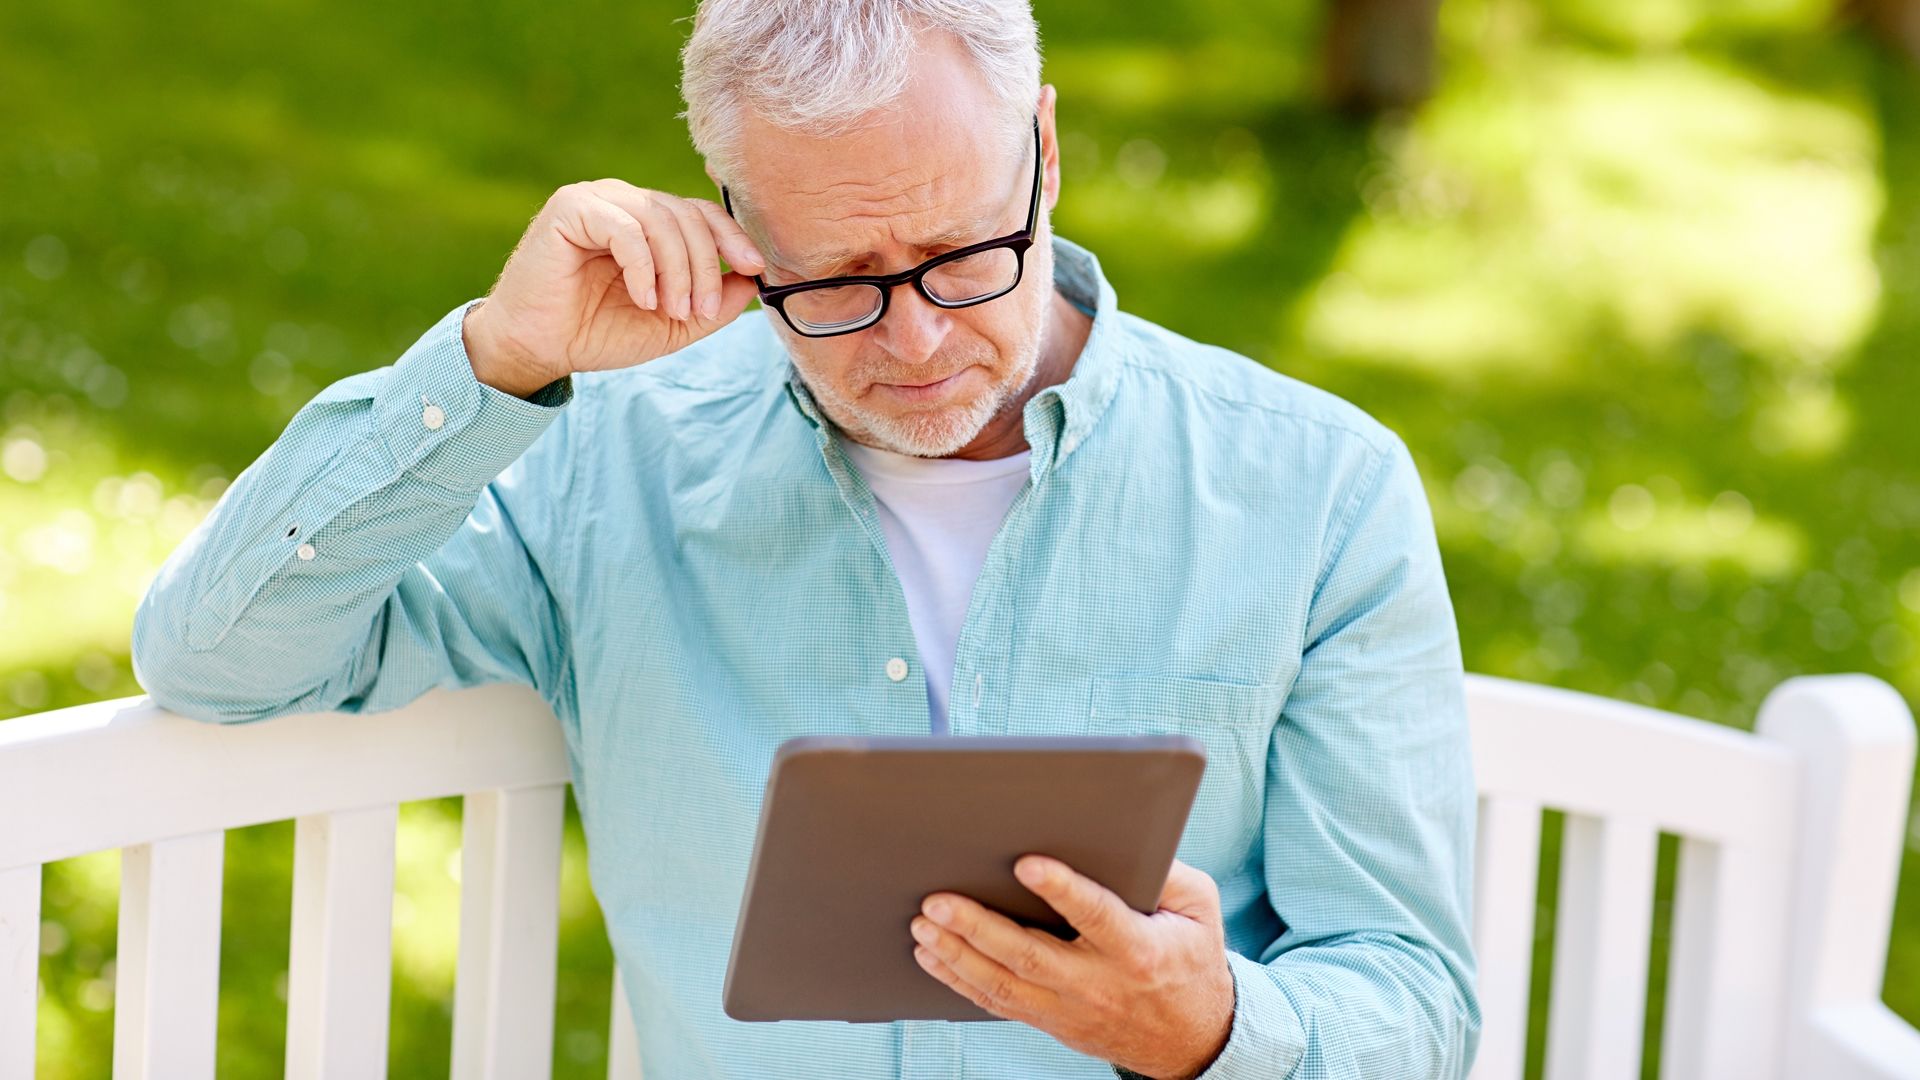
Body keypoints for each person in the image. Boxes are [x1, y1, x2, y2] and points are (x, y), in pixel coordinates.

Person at [131, 1, 1481, 1076]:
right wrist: (498, 362)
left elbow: (1413, 994)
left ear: (1046, 155)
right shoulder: (612, 458)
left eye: (964, 257)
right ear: (736, 224)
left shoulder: (1317, 490)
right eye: (837, 279)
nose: (916, 341)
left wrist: (1215, 1031)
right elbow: (214, 658)